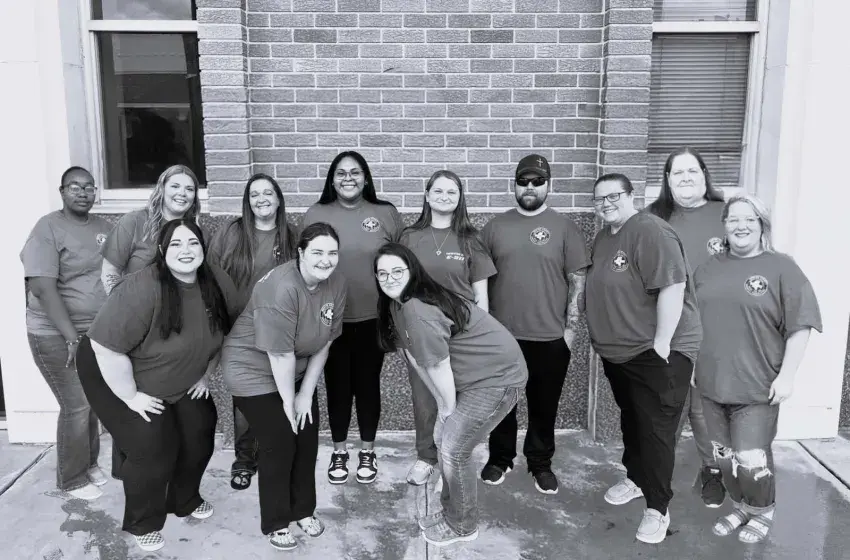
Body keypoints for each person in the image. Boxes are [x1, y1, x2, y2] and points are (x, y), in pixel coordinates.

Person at [76, 219, 238, 552]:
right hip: (112, 371)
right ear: (162, 251)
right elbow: (106, 349)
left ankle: (184, 499)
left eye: (193, 243)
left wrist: (205, 374)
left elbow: (226, 331)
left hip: (174, 375)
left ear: (203, 248)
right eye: (176, 244)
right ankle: (143, 522)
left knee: (200, 428)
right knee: (153, 445)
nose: (185, 251)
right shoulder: (143, 287)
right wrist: (131, 397)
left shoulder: (216, 281)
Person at [374, 243, 527, 547]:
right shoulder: (397, 305)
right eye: (382, 274)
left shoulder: (418, 308)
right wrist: (442, 406)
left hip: (497, 379)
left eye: (397, 271)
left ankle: (462, 525)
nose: (390, 279)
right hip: (472, 378)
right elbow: (417, 360)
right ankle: (451, 512)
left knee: (454, 450)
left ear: (412, 271)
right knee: (445, 441)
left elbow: (439, 365)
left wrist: (447, 408)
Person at [693, 194, 821, 544]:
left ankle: (763, 510)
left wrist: (787, 376)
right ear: (724, 225)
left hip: (757, 386)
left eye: (750, 219)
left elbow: (801, 325)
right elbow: (692, 321)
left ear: (762, 225)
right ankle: (741, 506)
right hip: (711, 383)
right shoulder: (707, 269)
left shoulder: (782, 268)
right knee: (724, 457)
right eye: (734, 219)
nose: (741, 226)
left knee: (751, 459)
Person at [585, 173, 703, 544]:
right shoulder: (605, 237)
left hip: (656, 351)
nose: (606, 203)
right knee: (634, 420)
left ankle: (658, 507)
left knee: (656, 431)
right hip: (621, 353)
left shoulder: (651, 231)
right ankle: (637, 479)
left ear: (631, 195)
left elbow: (673, 285)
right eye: (599, 198)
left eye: (614, 196)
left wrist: (662, 343)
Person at [221, 222, 346, 551]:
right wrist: (289, 403)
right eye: (317, 252)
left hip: (296, 369)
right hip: (252, 370)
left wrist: (305, 394)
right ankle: (277, 522)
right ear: (300, 253)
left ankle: (303, 510)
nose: (325, 260)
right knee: (280, 441)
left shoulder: (336, 282)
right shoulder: (281, 287)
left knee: (306, 438)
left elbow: (325, 341)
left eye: (332, 253)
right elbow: (279, 354)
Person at [479, 154, 590, 495]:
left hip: (550, 337)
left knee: (544, 406)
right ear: (514, 185)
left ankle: (540, 463)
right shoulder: (495, 227)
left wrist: (569, 332)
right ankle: (500, 458)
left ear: (548, 185)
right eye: (523, 181)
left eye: (537, 181)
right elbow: (478, 279)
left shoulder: (565, 227)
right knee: (502, 404)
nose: (529, 187)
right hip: (502, 337)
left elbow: (577, 280)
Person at [302, 150, 403, 485]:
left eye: (355, 172)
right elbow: (303, 266)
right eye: (341, 173)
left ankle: (368, 451)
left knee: (368, 386)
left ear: (366, 178)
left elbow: (401, 263)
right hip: (329, 318)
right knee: (337, 387)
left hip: (373, 318)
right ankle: (340, 451)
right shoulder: (316, 213)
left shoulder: (385, 213)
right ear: (332, 180)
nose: (348, 178)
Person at [99, 164, 201, 478]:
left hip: (172, 329)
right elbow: (110, 272)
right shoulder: (135, 223)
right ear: (161, 188)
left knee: (166, 408)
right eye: (176, 186)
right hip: (136, 328)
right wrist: (124, 311)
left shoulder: (194, 229)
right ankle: (133, 474)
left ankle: (166, 472)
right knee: (135, 404)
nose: (182, 193)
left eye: (189, 189)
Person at [20, 166, 113, 500]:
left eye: (89, 187)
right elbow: (42, 288)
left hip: (94, 332)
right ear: (62, 191)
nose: (83, 192)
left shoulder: (104, 227)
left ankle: (88, 464)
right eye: (75, 186)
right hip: (55, 335)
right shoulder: (47, 227)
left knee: (90, 401)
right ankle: (71, 478)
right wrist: (71, 337)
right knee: (76, 404)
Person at [399, 170, 496, 486]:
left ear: (460, 198)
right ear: (427, 196)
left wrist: (482, 337)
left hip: (463, 334)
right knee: (425, 400)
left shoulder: (471, 239)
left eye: (451, 192)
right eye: (438, 191)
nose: (444, 197)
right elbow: (399, 288)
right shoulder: (409, 237)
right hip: (422, 333)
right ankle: (426, 457)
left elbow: (481, 294)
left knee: (462, 401)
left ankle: (454, 458)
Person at [647, 147, 728, 507]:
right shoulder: (653, 218)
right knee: (666, 406)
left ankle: (713, 470)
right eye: (677, 172)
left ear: (704, 175)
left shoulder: (726, 215)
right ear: (667, 180)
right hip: (669, 328)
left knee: (705, 407)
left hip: (718, 328)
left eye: (692, 171)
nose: (685, 178)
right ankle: (650, 473)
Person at [207, 173, 297, 491]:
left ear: (278, 199)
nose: (261, 199)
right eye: (254, 194)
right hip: (239, 329)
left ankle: (276, 455)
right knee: (245, 397)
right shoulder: (231, 233)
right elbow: (211, 273)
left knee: (279, 390)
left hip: (280, 329)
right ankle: (244, 460)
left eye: (268, 193)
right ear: (247, 201)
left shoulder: (291, 236)